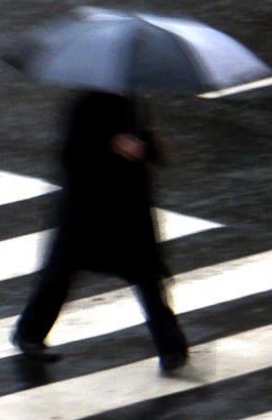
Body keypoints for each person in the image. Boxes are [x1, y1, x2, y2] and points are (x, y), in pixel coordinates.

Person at [12, 90, 189, 374]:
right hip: (87, 209)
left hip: (127, 209)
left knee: (146, 277)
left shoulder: (131, 103)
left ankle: (172, 348)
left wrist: (148, 146)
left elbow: (145, 149)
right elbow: (70, 157)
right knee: (59, 275)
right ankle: (29, 333)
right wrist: (112, 146)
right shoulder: (85, 105)